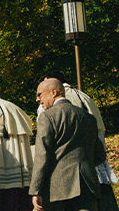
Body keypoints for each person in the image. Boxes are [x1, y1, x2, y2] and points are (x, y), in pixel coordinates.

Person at [42, 72, 119, 211]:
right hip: (90, 163)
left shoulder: (52, 103)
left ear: (53, 88)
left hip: (63, 179)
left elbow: (46, 146)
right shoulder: (83, 95)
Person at [30, 77, 106, 211]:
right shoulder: (88, 118)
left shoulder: (47, 117)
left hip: (57, 189)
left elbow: (42, 156)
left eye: (40, 94)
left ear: (53, 92)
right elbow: (100, 155)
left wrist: (36, 190)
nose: (38, 99)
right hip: (88, 186)